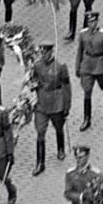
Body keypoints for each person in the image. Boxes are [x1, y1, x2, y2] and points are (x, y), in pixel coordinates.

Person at [30, 41, 71, 174]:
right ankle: (40, 163)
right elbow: (33, 82)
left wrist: (66, 105)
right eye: (42, 52)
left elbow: (66, 87)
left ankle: (60, 148)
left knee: (58, 127)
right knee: (40, 133)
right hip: (41, 104)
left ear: (51, 52)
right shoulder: (37, 66)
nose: (44, 54)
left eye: (47, 52)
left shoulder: (60, 67)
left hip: (56, 103)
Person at [73, 11, 103, 130]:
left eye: (94, 21)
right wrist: (77, 67)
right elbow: (79, 51)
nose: (92, 24)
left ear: (97, 21)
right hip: (87, 64)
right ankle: (87, 118)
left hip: (100, 64)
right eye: (90, 22)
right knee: (87, 91)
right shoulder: (83, 34)